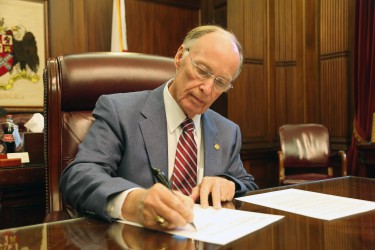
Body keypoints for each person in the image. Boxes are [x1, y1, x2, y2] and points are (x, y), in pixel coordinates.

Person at [59, 24, 258, 231]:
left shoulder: (227, 131)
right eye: (201, 70)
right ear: (180, 56)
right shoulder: (120, 111)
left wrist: (228, 183)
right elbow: (79, 175)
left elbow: (247, 183)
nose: (207, 89)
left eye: (220, 82)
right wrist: (133, 202)